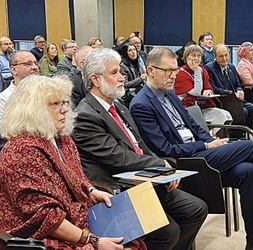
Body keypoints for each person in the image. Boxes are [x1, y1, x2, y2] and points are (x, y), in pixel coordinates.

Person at [130, 46, 253, 250]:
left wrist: (210, 140)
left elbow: (194, 126)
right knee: (251, 147)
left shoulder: (168, 95)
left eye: (176, 70)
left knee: (250, 172)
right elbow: (165, 149)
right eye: (168, 71)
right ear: (150, 71)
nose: (173, 76)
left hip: (202, 154)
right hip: (184, 164)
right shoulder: (141, 105)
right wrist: (205, 145)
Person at [72, 48, 208, 250]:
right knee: (168, 232)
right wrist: (159, 164)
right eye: (114, 73)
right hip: (117, 188)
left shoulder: (118, 106)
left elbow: (140, 146)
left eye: (120, 72)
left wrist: (166, 170)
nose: (121, 78)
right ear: (95, 79)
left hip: (141, 179)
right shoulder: (86, 116)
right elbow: (118, 158)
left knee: (196, 209)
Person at [0, 75, 147, 249]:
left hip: (70, 219)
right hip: (36, 237)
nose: (65, 109)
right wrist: (94, 241)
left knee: (135, 236)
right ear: (31, 109)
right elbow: (46, 218)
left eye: (65, 102)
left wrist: (92, 190)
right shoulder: (22, 150)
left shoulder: (61, 139)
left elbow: (77, 178)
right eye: (55, 104)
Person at [174, 44, 232, 133]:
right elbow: (196, 92)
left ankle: (220, 138)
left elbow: (208, 87)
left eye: (199, 56)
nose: (196, 58)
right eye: (193, 55)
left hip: (201, 105)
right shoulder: (181, 73)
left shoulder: (201, 69)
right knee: (220, 116)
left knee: (227, 114)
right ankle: (213, 140)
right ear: (186, 57)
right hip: (187, 108)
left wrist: (208, 91)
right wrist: (196, 71)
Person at [206, 44, 253, 130]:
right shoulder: (209, 68)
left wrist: (239, 91)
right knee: (243, 111)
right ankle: (236, 134)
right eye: (221, 56)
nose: (224, 58)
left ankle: (246, 134)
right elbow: (213, 87)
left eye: (226, 55)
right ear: (215, 57)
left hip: (235, 99)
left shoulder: (232, 67)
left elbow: (237, 85)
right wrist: (230, 93)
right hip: (223, 100)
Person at [0, 50, 39, 125]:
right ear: (13, 69)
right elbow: (4, 132)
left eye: (35, 63)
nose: (35, 67)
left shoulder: (47, 91)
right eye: (28, 64)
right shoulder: (6, 98)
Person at [115, 43, 147, 107]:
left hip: (141, 91)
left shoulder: (140, 63)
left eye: (134, 50)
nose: (133, 52)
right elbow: (125, 84)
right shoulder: (123, 66)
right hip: (130, 95)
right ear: (126, 53)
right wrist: (140, 78)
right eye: (130, 50)